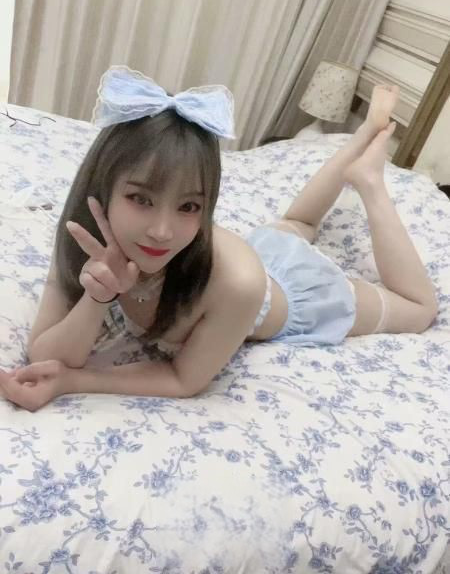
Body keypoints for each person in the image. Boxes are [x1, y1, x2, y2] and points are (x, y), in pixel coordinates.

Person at [0, 66, 438, 411]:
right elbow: (46, 350)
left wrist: (75, 382)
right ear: (103, 189)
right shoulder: (86, 236)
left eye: (189, 206)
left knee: (420, 309)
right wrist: (97, 298)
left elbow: (183, 380)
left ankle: (370, 180)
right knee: (298, 222)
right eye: (140, 199)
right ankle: (365, 133)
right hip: (260, 247)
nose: (162, 231)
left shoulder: (237, 282)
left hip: (296, 294)